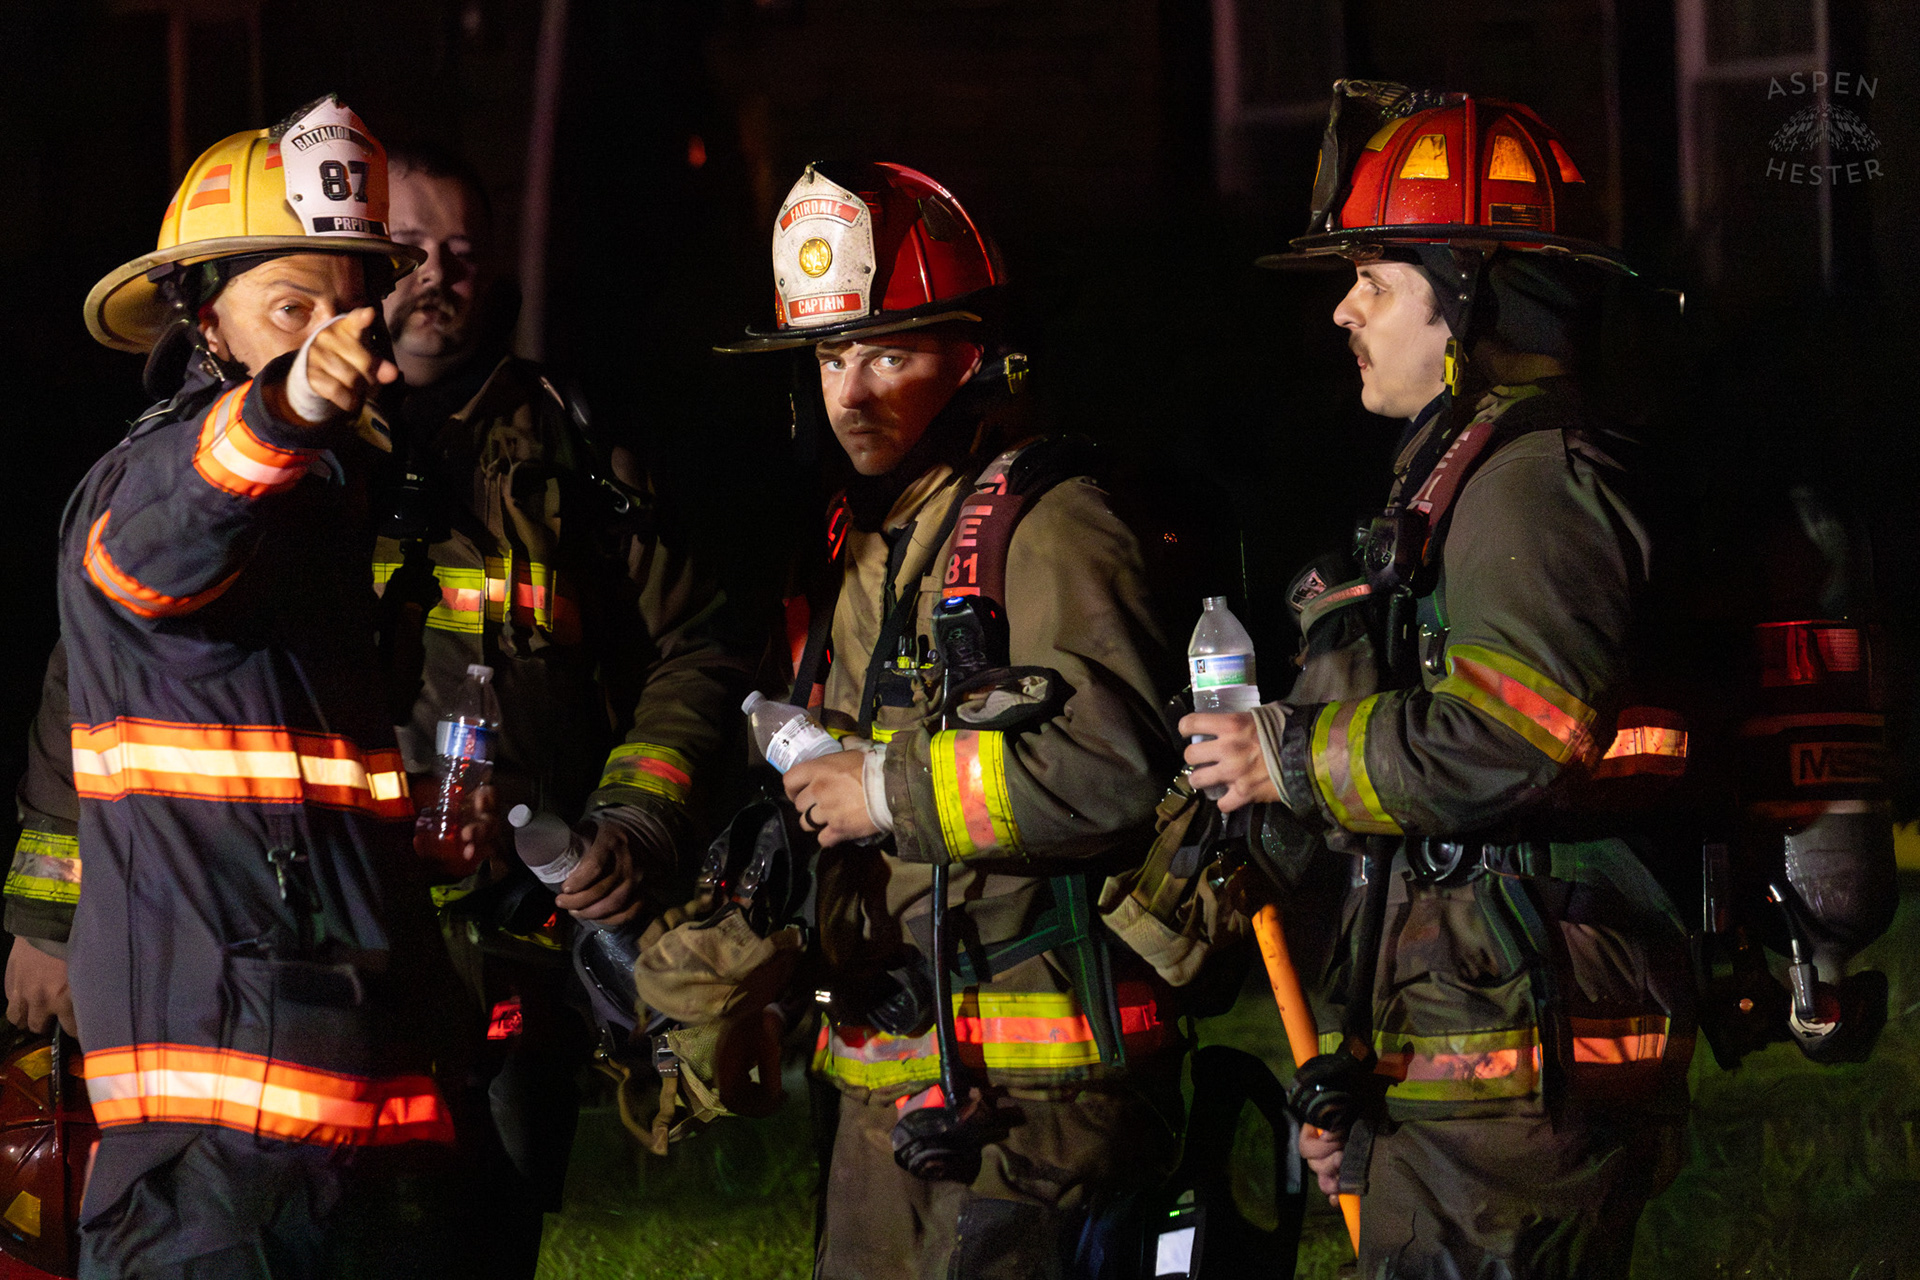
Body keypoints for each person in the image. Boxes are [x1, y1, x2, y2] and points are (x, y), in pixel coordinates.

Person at [1184, 82, 1695, 1278]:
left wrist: (1288, 753)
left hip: (1521, 1060)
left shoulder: (1531, 480)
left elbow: (1515, 736)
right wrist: (1366, 1073)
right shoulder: (1464, 471)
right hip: (1470, 1035)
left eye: (1376, 279)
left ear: (1469, 296)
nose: (1344, 310)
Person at [716, 162, 1184, 1279]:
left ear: (978, 359)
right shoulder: (864, 540)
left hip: (1037, 1092)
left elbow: (1115, 767)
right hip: (896, 1071)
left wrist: (885, 789)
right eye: (830, 356)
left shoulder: (1053, 522)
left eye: (889, 354)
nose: (851, 392)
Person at [58, 96, 484, 1278]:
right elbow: (187, 507)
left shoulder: (321, 517)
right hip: (214, 1162)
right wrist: (288, 401)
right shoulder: (148, 480)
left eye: (347, 308)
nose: (329, 336)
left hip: (348, 1128)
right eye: (291, 308)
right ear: (204, 320)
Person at [372, 143, 747, 1278]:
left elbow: (694, 649)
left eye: (462, 253)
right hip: (329, 923)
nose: (437, 277)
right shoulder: (288, 435)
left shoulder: (569, 447)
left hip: (509, 936)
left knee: (488, 1230)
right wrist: (52, 914)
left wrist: (634, 820)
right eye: (406, 249)